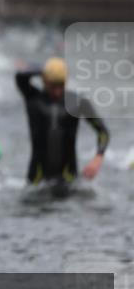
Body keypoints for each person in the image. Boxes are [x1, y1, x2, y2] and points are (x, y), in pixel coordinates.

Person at [16, 57, 108, 192]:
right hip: (37, 180)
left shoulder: (77, 102)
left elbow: (103, 132)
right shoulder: (32, 97)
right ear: (44, 81)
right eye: (53, 85)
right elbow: (20, 76)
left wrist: (98, 157)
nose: (57, 91)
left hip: (69, 180)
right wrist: (45, 69)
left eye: (61, 85)